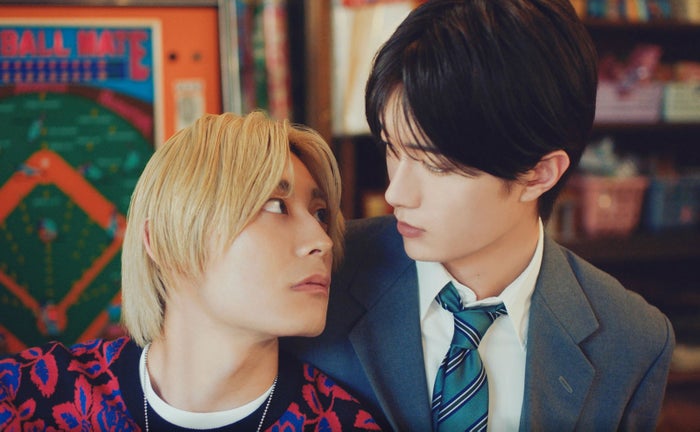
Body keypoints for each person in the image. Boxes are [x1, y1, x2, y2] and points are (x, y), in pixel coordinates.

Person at [283, 1, 675, 431]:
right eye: (393, 149)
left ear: (538, 174)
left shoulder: (632, 341)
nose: (396, 193)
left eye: (436, 165)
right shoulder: (317, 274)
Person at [0, 112, 381, 431]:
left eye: (320, 214)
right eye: (275, 206)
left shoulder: (342, 423)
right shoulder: (29, 399)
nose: (322, 240)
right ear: (164, 240)